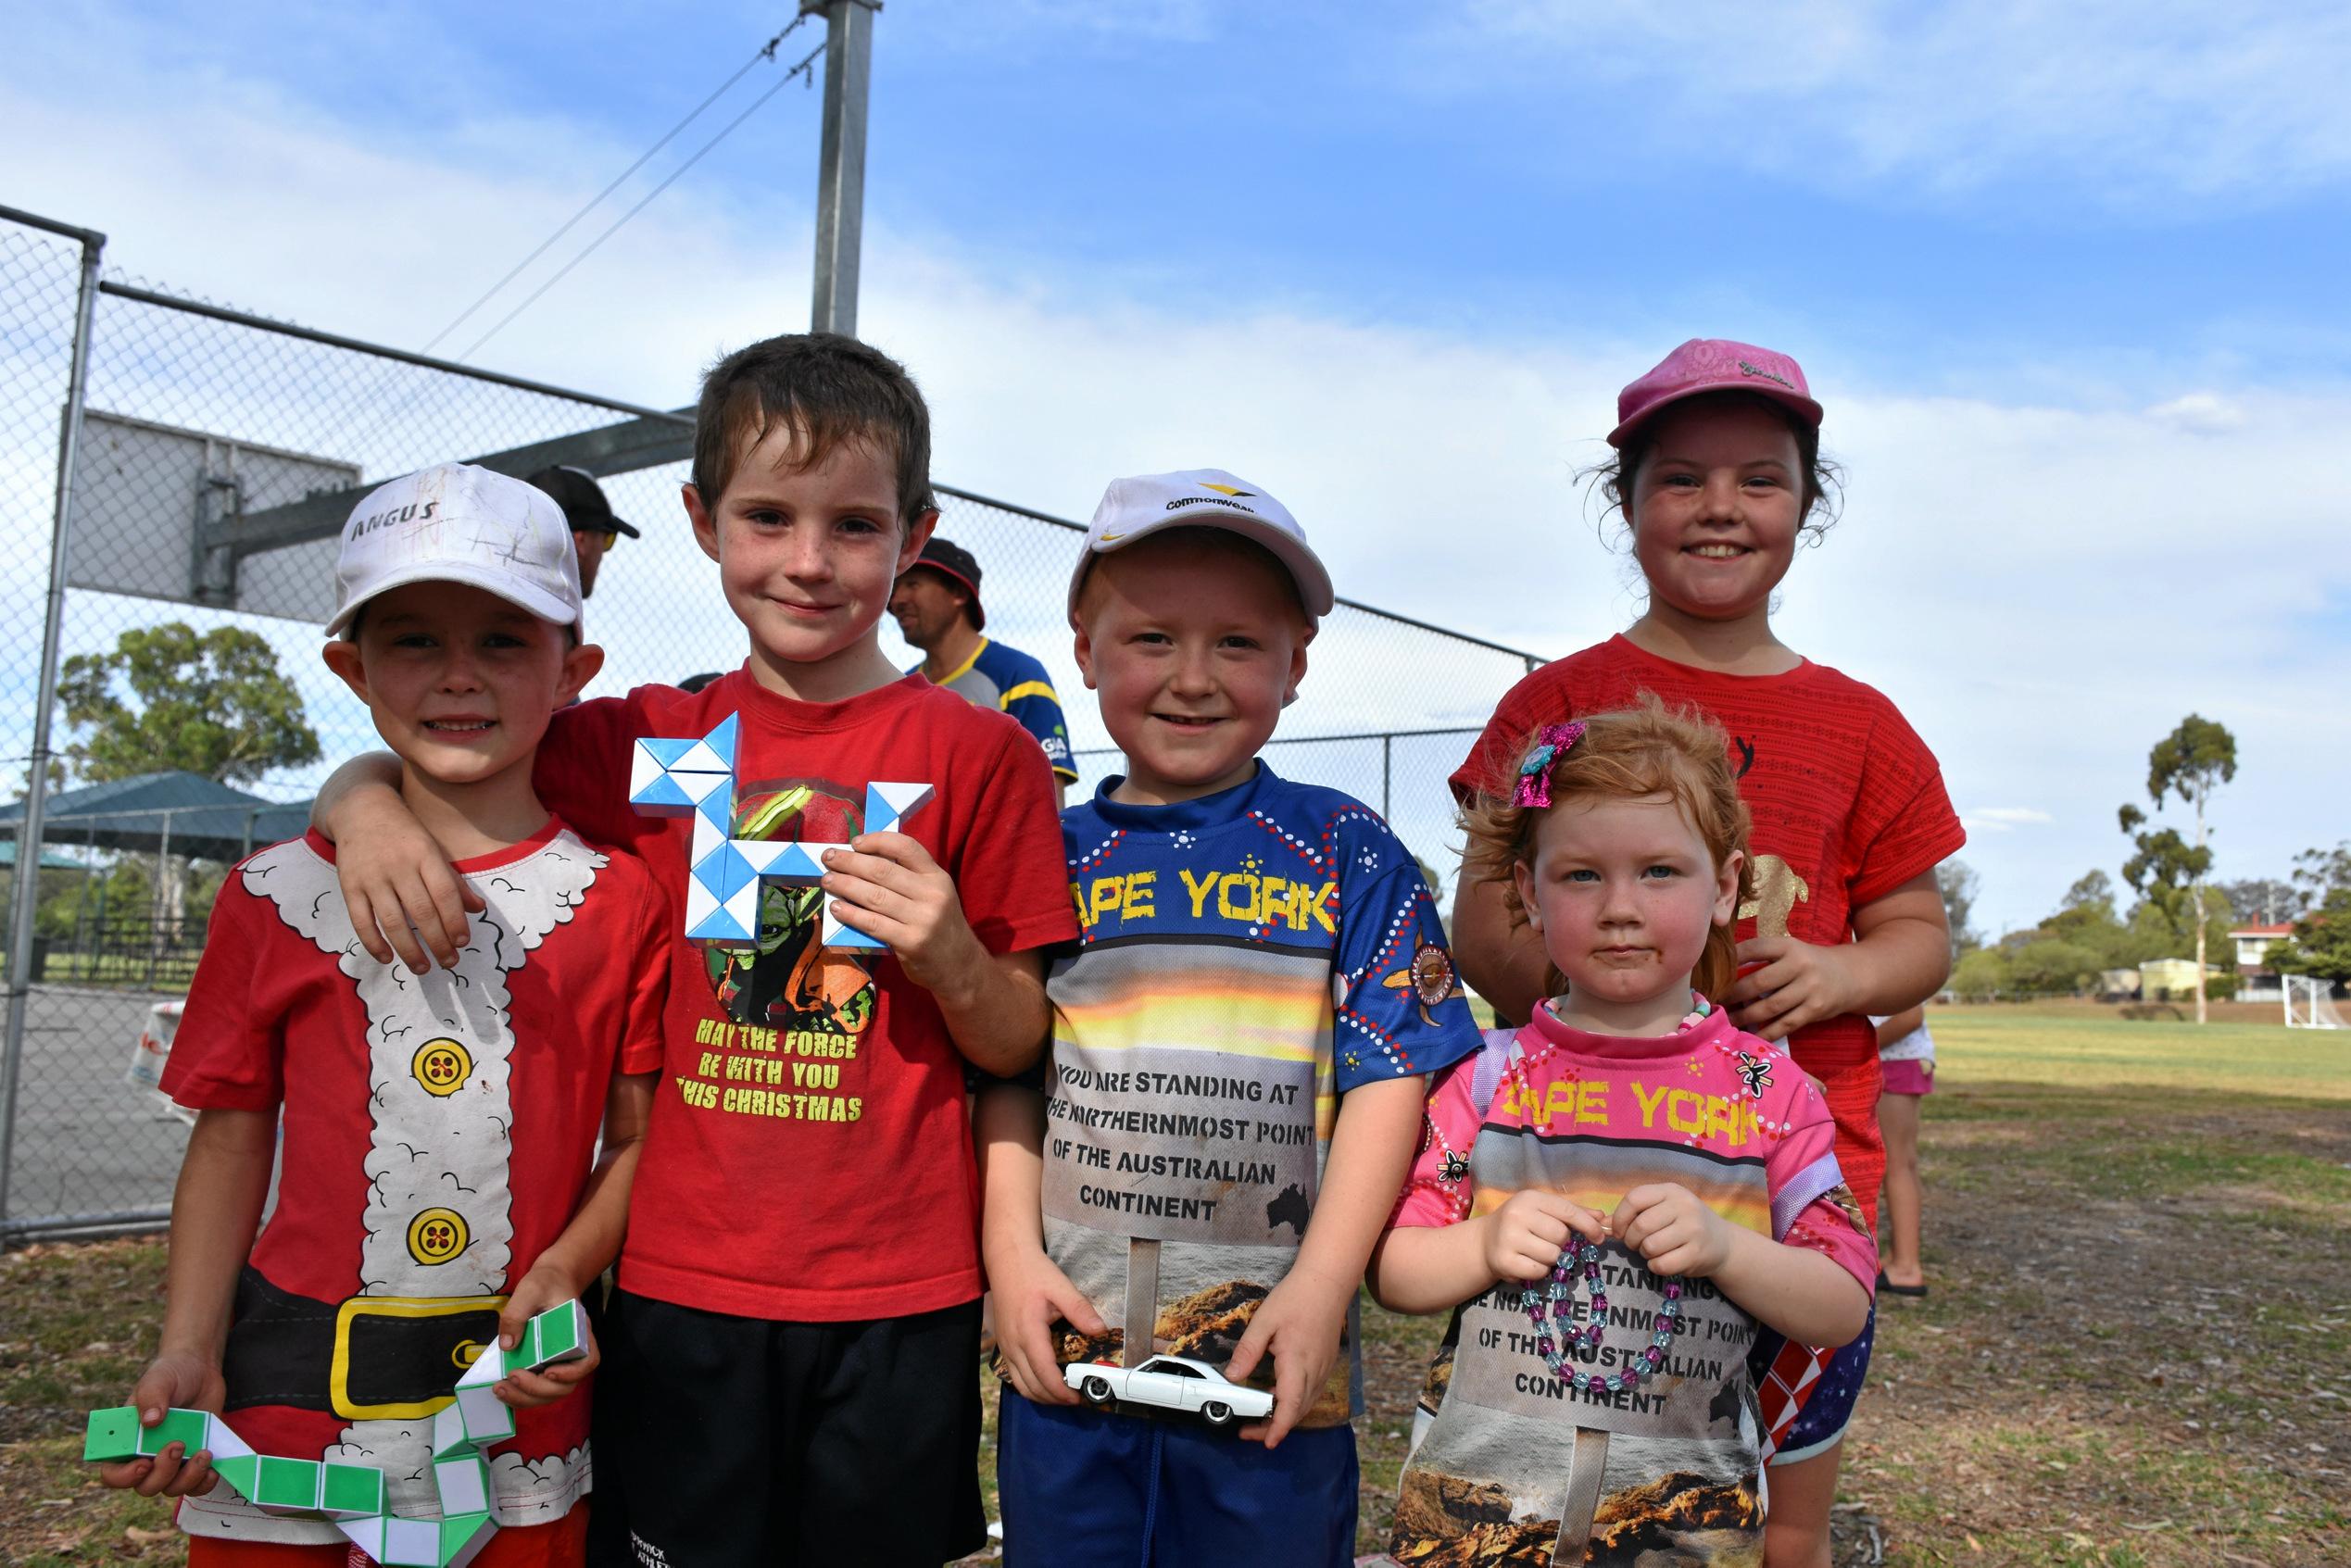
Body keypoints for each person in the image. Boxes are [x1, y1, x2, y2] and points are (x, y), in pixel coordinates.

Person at [308, 335, 1078, 1566]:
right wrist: (359, 805)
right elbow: (435, 744)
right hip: (681, 1287)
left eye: (856, 525)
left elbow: (1017, 1041)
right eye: (768, 516)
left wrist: (950, 957)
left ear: (916, 532)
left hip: (899, 1294)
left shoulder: (976, 756)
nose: (810, 562)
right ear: (701, 520)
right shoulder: (649, 743)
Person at [1448, 339, 1964, 1568]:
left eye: (1759, 478)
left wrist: (1843, 976)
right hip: (1574, 1179)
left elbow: (1917, 931)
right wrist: (1583, 977)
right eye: (1679, 478)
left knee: (1780, 1513)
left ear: (1805, 504)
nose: (1719, 508)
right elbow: (1482, 913)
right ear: (1623, 502)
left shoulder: (1862, 727)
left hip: (1789, 1196)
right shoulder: (1552, 711)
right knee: (1561, 1500)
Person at [96, 462, 669, 1565]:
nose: (460, 677)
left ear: (574, 672)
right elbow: (229, 1134)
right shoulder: (271, 894)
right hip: (284, 1409)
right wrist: (187, 1346)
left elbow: (639, 1138)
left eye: (504, 640)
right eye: (413, 641)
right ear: (351, 670)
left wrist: (564, 1272)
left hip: (517, 1415)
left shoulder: (619, 900)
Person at [978, 470, 1484, 1567]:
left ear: (1297, 664)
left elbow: (1391, 1076)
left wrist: (1319, 1286)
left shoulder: (1348, 852)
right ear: (1084, 646)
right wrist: (1009, 1252)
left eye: (1240, 645)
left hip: (1266, 1373)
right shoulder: (1044, 851)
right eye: (1153, 638)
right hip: (1073, 1367)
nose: (1193, 679)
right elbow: (1011, 1069)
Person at [1374, 702, 1877, 1567]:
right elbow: (1394, 1271)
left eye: (1658, 872)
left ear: (1724, 887)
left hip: (1680, 1528)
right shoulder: (1484, 1077)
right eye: (1580, 876)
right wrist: (1486, 1241)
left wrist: (1726, 1247)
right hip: (1472, 1521)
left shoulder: (1771, 1090)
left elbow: (1842, 1300)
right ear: (1528, 892)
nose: (1619, 907)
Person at [890, 533, 1079, 803]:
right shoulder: (903, 687)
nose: (897, 599)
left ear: (958, 593)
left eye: (912, 583)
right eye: (895, 588)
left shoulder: (1017, 673)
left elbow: (1048, 791)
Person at [1872, 1007, 1933, 1298]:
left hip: (1893, 1061)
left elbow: (1911, 1016)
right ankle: (1899, 1257)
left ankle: (1906, 1267)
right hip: (1898, 1060)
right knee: (1903, 1163)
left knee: (1897, 1164)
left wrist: (1851, 1044)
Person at [524, 465, 639, 600]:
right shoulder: (556, 618)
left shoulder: (499, 598)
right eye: (607, 540)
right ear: (580, 540)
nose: (602, 553)